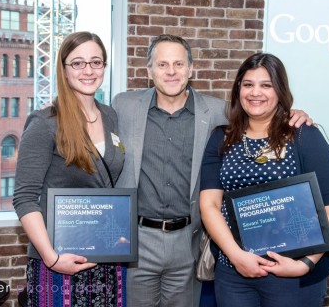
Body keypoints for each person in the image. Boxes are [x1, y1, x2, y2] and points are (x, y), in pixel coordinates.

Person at [112, 34, 313, 307]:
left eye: (179, 64)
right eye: (162, 65)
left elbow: (259, 117)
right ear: (149, 71)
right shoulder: (123, 106)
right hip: (137, 238)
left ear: (191, 69)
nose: (171, 72)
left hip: (189, 239)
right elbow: (90, 120)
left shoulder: (219, 112)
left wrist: (294, 115)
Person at [199, 52, 329, 307]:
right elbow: (209, 205)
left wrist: (304, 264)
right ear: (238, 90)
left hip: (292, 272)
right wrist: (236, 256)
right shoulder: (221, 138)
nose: (256, 93)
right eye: (248, 84)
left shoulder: (303, 136)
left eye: (266, 85)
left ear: (280, 90)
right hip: (234, 273)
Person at [13, 31, 125, 306]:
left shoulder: (110, 116)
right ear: (63, 70)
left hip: (106, 256)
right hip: (59, 261)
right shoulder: (44, 122)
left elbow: (109, 186)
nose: (88, 70)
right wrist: (52, 258)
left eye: (96, 62)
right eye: (78, 63)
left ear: (104, 67)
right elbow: (25, 198)